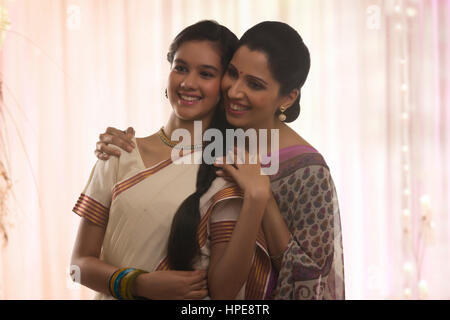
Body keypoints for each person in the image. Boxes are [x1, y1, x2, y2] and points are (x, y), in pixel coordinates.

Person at [96, 21, 345, 300]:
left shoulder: (307, 170)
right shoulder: (219, 139)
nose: (234, 91)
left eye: (254, 84)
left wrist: (262, 199)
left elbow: (315, 280)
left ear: (287, 97)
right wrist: (121, 145)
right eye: (233, 74)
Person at [70, 20, 239, 300]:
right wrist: (138, 284)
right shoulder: (118, 153)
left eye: (206, 74)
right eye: (181, 68)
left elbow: (226, 292)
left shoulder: (228, 169)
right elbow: (78, 267)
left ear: (224, 86)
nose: (188, 83)